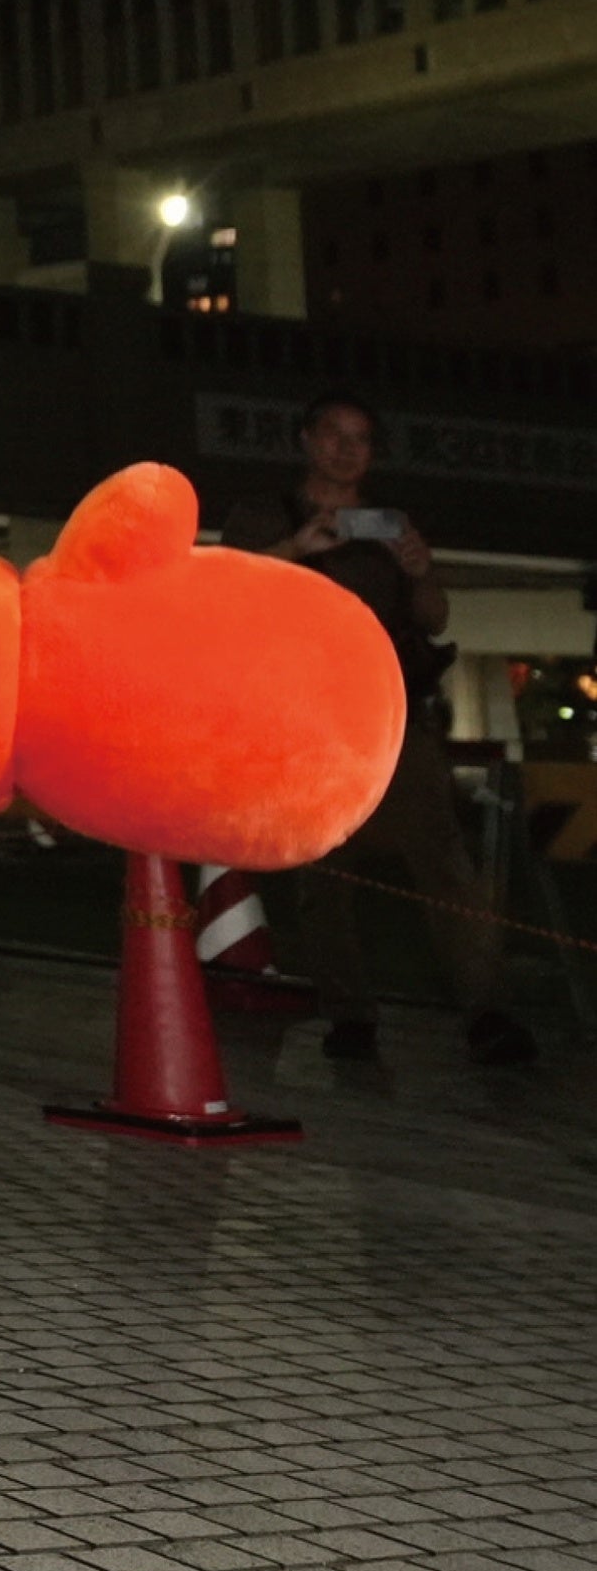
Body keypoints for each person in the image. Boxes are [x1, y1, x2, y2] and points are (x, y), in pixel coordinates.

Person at [219, 391, 537, 1067]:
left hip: (392, 713)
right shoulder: (263, 516)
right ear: (306, 439)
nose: (346, 448)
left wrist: (420, 570)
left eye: (360, 438)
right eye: (333, 433)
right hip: (306, 720)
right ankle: (349, 1015)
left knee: (443, 860)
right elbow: (228, 589)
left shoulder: (390, 525)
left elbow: (434, 616)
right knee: (324, 874)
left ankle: (488, 1010)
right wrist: (298, 546)